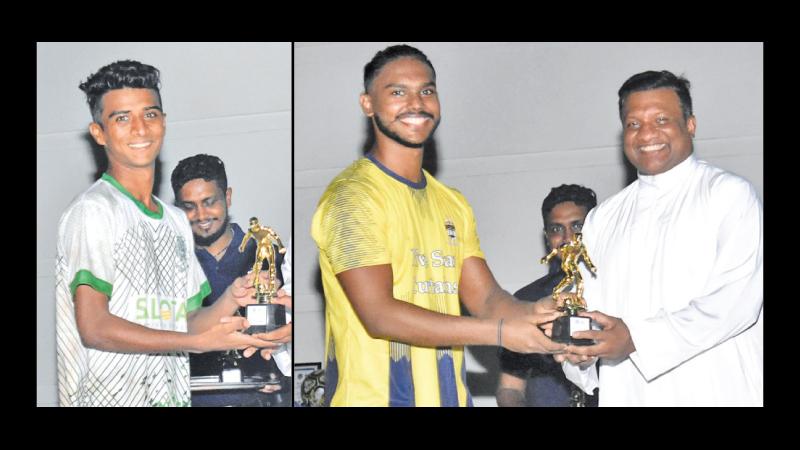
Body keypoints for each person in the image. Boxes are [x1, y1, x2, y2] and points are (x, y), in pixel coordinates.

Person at [310, 44, 565, 407]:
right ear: (368, 104)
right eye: (398, 92)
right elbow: (379, 315)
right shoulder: (351, 197)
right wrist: (501, 332)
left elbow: (488, 300)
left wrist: (537, 312)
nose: (416, 103)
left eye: (426, 91)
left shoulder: (452, 202)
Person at [55, 60, 275, 407]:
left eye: (150, 114)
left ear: (164, 122)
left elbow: (186, 323)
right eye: (122, 118)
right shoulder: (94, 211)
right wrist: (197, 343)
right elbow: (94, 326)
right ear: (99, 133)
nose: (140, 129)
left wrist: (232, 298)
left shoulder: (175, 221)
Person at [556, 70, 763, 406]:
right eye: (633, 123)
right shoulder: (602, 219)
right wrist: (580, 352)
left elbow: (736, 303)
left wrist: (635, 337)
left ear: (690, 124)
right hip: (629, 392)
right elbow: (591, 310)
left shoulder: (729, 195)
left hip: (717, 389)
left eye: (662, 119)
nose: (646, 133)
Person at [171, 154, 292, 406]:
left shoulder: (268, 253)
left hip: (264, 398)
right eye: (189, 206)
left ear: (227, 197)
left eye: (208, 201)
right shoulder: (170, 263)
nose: (200, 214)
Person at [496, 184, 599, 407]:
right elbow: (509, 389)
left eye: (577, 226)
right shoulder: (525, 301)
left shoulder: (620, 293)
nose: (567, 238)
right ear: (547, 237)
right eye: (556, 229)